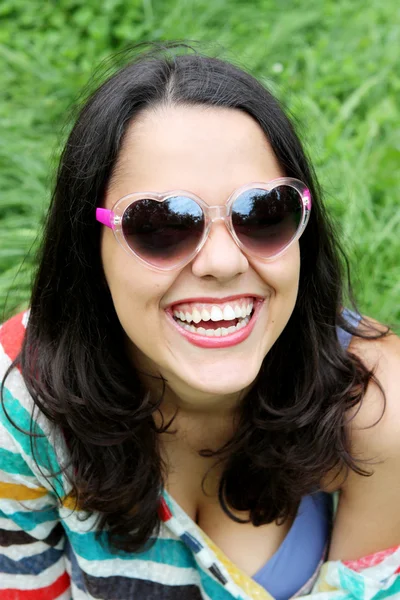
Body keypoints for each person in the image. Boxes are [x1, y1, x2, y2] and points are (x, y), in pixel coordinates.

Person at [0, 43, 399, 600]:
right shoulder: (20, 395)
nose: (222, 262)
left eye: (262, 214)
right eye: (160, 224)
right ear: (89, 249)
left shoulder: (380, 405)